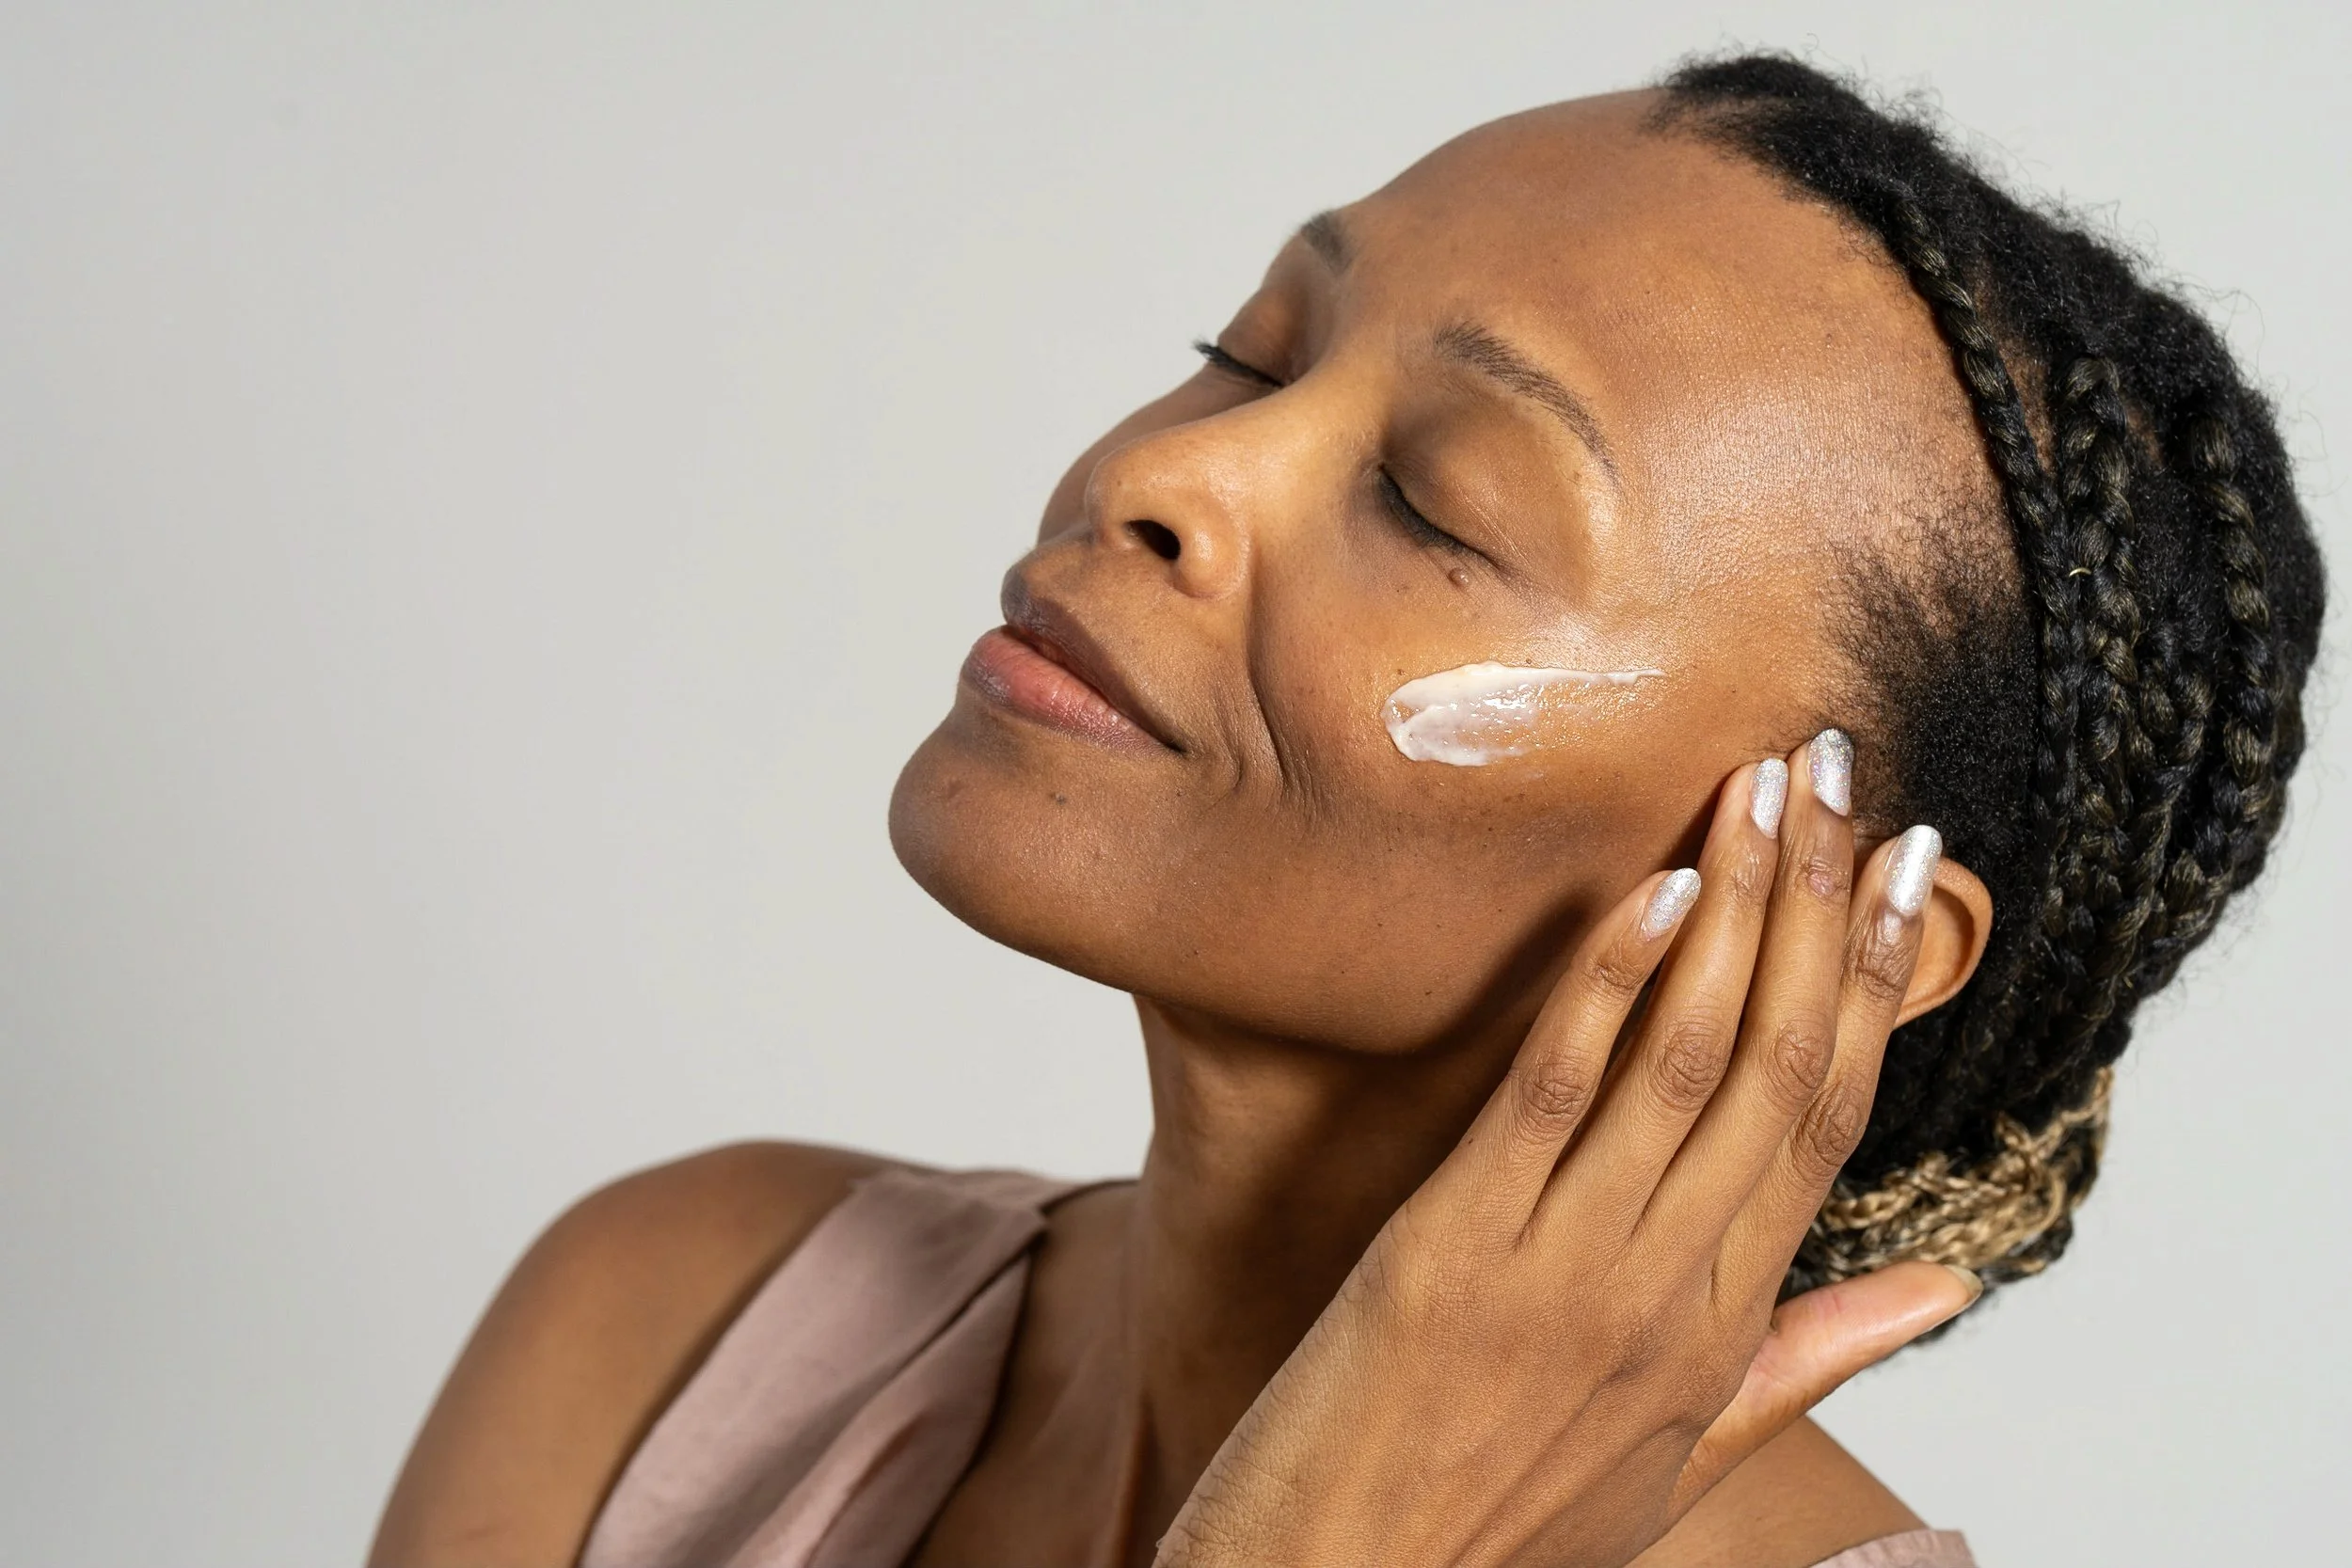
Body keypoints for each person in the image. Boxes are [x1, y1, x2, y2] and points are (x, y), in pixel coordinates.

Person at [369, 55, 2324, 1568]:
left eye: (1440, 502)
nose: (1169, 469)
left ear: (1849, 923)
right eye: (1251, 347)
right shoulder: (675, 1323)